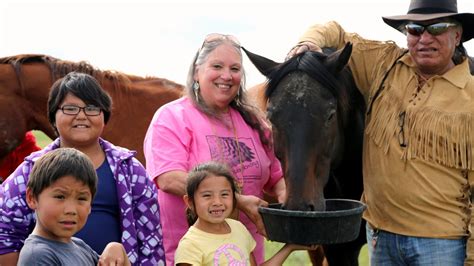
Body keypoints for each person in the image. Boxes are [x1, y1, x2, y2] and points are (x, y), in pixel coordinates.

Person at [286, 0, 474, 264]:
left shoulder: (471, 96)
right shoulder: (383, 65)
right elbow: (333, 31)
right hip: (381, 239)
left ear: (458, 35)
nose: (424, 38)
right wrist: (306, 44)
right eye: (415, 29)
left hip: (441, 245)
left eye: (437, 27)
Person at [144, 33, 287, 265]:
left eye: (235, 69)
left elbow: (277, 176)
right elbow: (168, 178)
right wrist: (238, 201)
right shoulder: (171, 117)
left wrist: (287, 196)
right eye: (217, 66)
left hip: (247, 255)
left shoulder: (255, 122)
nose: (226, 76)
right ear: (197, 73)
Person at [0, 72, 165, 266]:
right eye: (70, 108)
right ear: (53, 116)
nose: (81, 115)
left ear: (105, 117)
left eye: (92, 108)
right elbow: (5, 233)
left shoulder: (129, 168)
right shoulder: (31, 169)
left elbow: (150, 237)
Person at [175, 161, 315, 265]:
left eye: (224, 194)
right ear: (190, 202)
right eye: (207, 195)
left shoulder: (238, 229)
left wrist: (289, 247)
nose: (217, 202)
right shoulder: (190, 245)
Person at [18, 148, 130, 266]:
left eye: (81, 198)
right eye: (60, 197)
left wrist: (118, 249)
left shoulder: (80, 247)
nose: (71, 210)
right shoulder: (38, 255)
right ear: (32, 198)